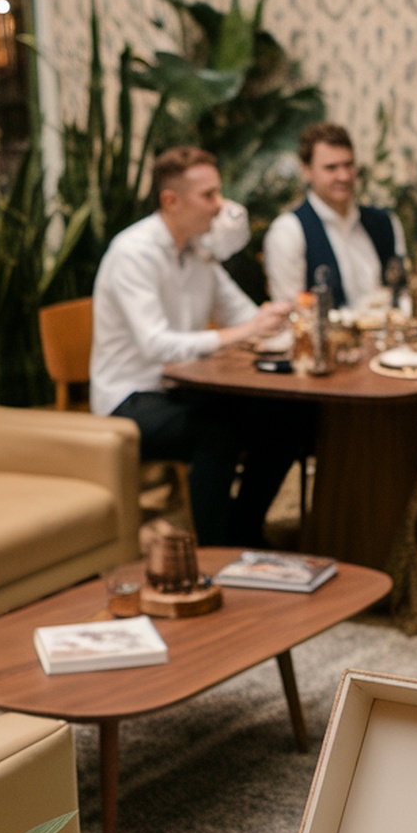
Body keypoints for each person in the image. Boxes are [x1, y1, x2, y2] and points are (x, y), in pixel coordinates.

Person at [90, 146, 293, 546]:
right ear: (171, 201)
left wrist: (277, 320)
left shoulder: (199, 250)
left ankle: (244, 530)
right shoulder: (133, 253)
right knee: (217, 435)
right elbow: (156, 345)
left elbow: (242, 315)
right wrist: (246, 330)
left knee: (282, 420)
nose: (220, 206)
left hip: (183, 389)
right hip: (129, 395)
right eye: (209, 195)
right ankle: (216, 549)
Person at [262, 122, 406, 309]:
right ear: (306, 171)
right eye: (331, 168)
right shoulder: (288, 231)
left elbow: (401, 292)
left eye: (348, 165)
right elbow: (290, 311)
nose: (344, 176)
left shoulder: (384, 222)